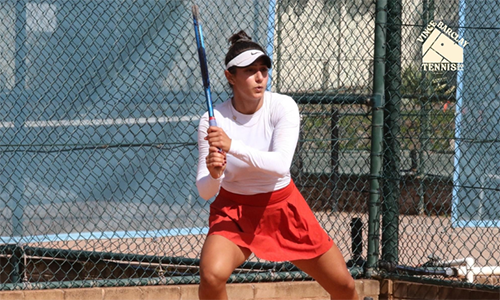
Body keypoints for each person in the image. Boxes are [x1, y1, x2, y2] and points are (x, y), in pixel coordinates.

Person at [196, 30, 358, 300]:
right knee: (211, 276)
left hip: (284, 207)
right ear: (230, 77)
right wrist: (214, 174)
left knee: (344, 287)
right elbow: (205, 190)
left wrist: (232, 145)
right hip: (235, 211)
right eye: (250, 71)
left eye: (264, 69)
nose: (260, 77)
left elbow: (281, 164)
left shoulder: (283, 106)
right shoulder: (212, 120)